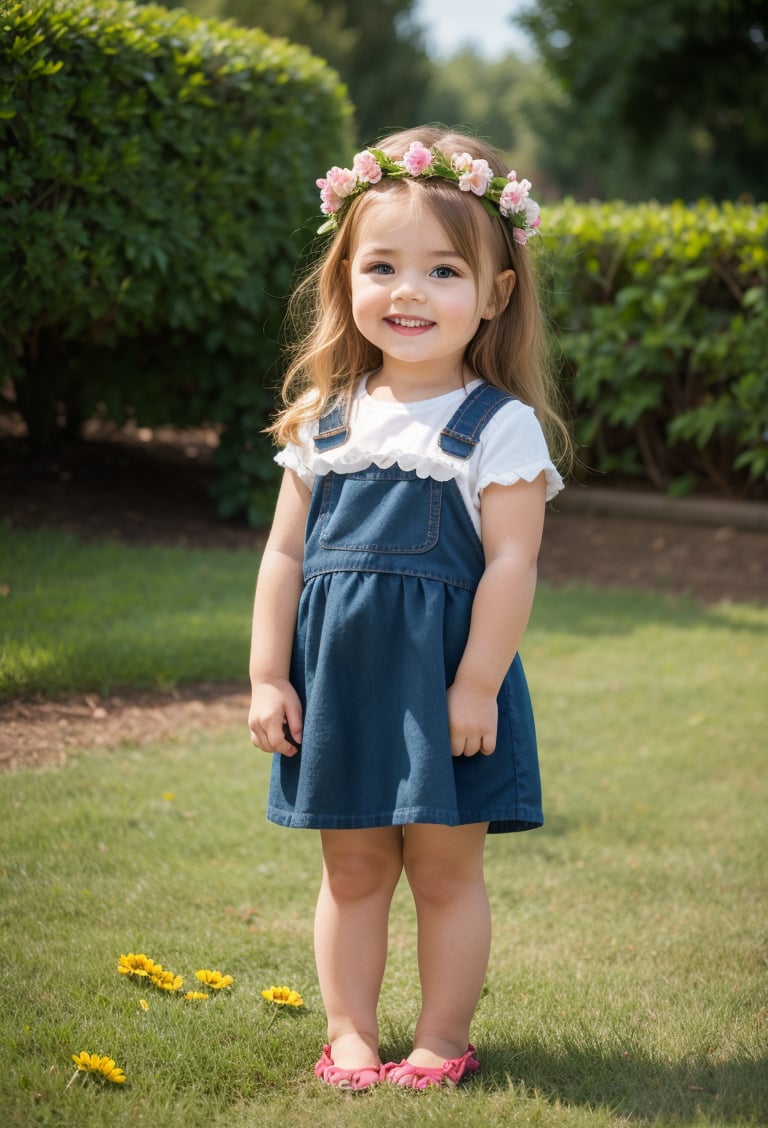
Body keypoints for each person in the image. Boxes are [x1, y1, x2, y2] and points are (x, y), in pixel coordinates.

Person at [248, 126, 569, 1091]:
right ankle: (349, 1032)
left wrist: (476, 687)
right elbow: (284, 552)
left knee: (442, 872)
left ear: (494, 293)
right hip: (340, 688)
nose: (410, 292)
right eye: (382, 266)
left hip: (444, 692)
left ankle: (441, 1037)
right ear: (346, 277)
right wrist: (269, 674)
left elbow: (513, 563)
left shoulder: (497, 425)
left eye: (441, 270)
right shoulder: (325, 416)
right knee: (351, 870)